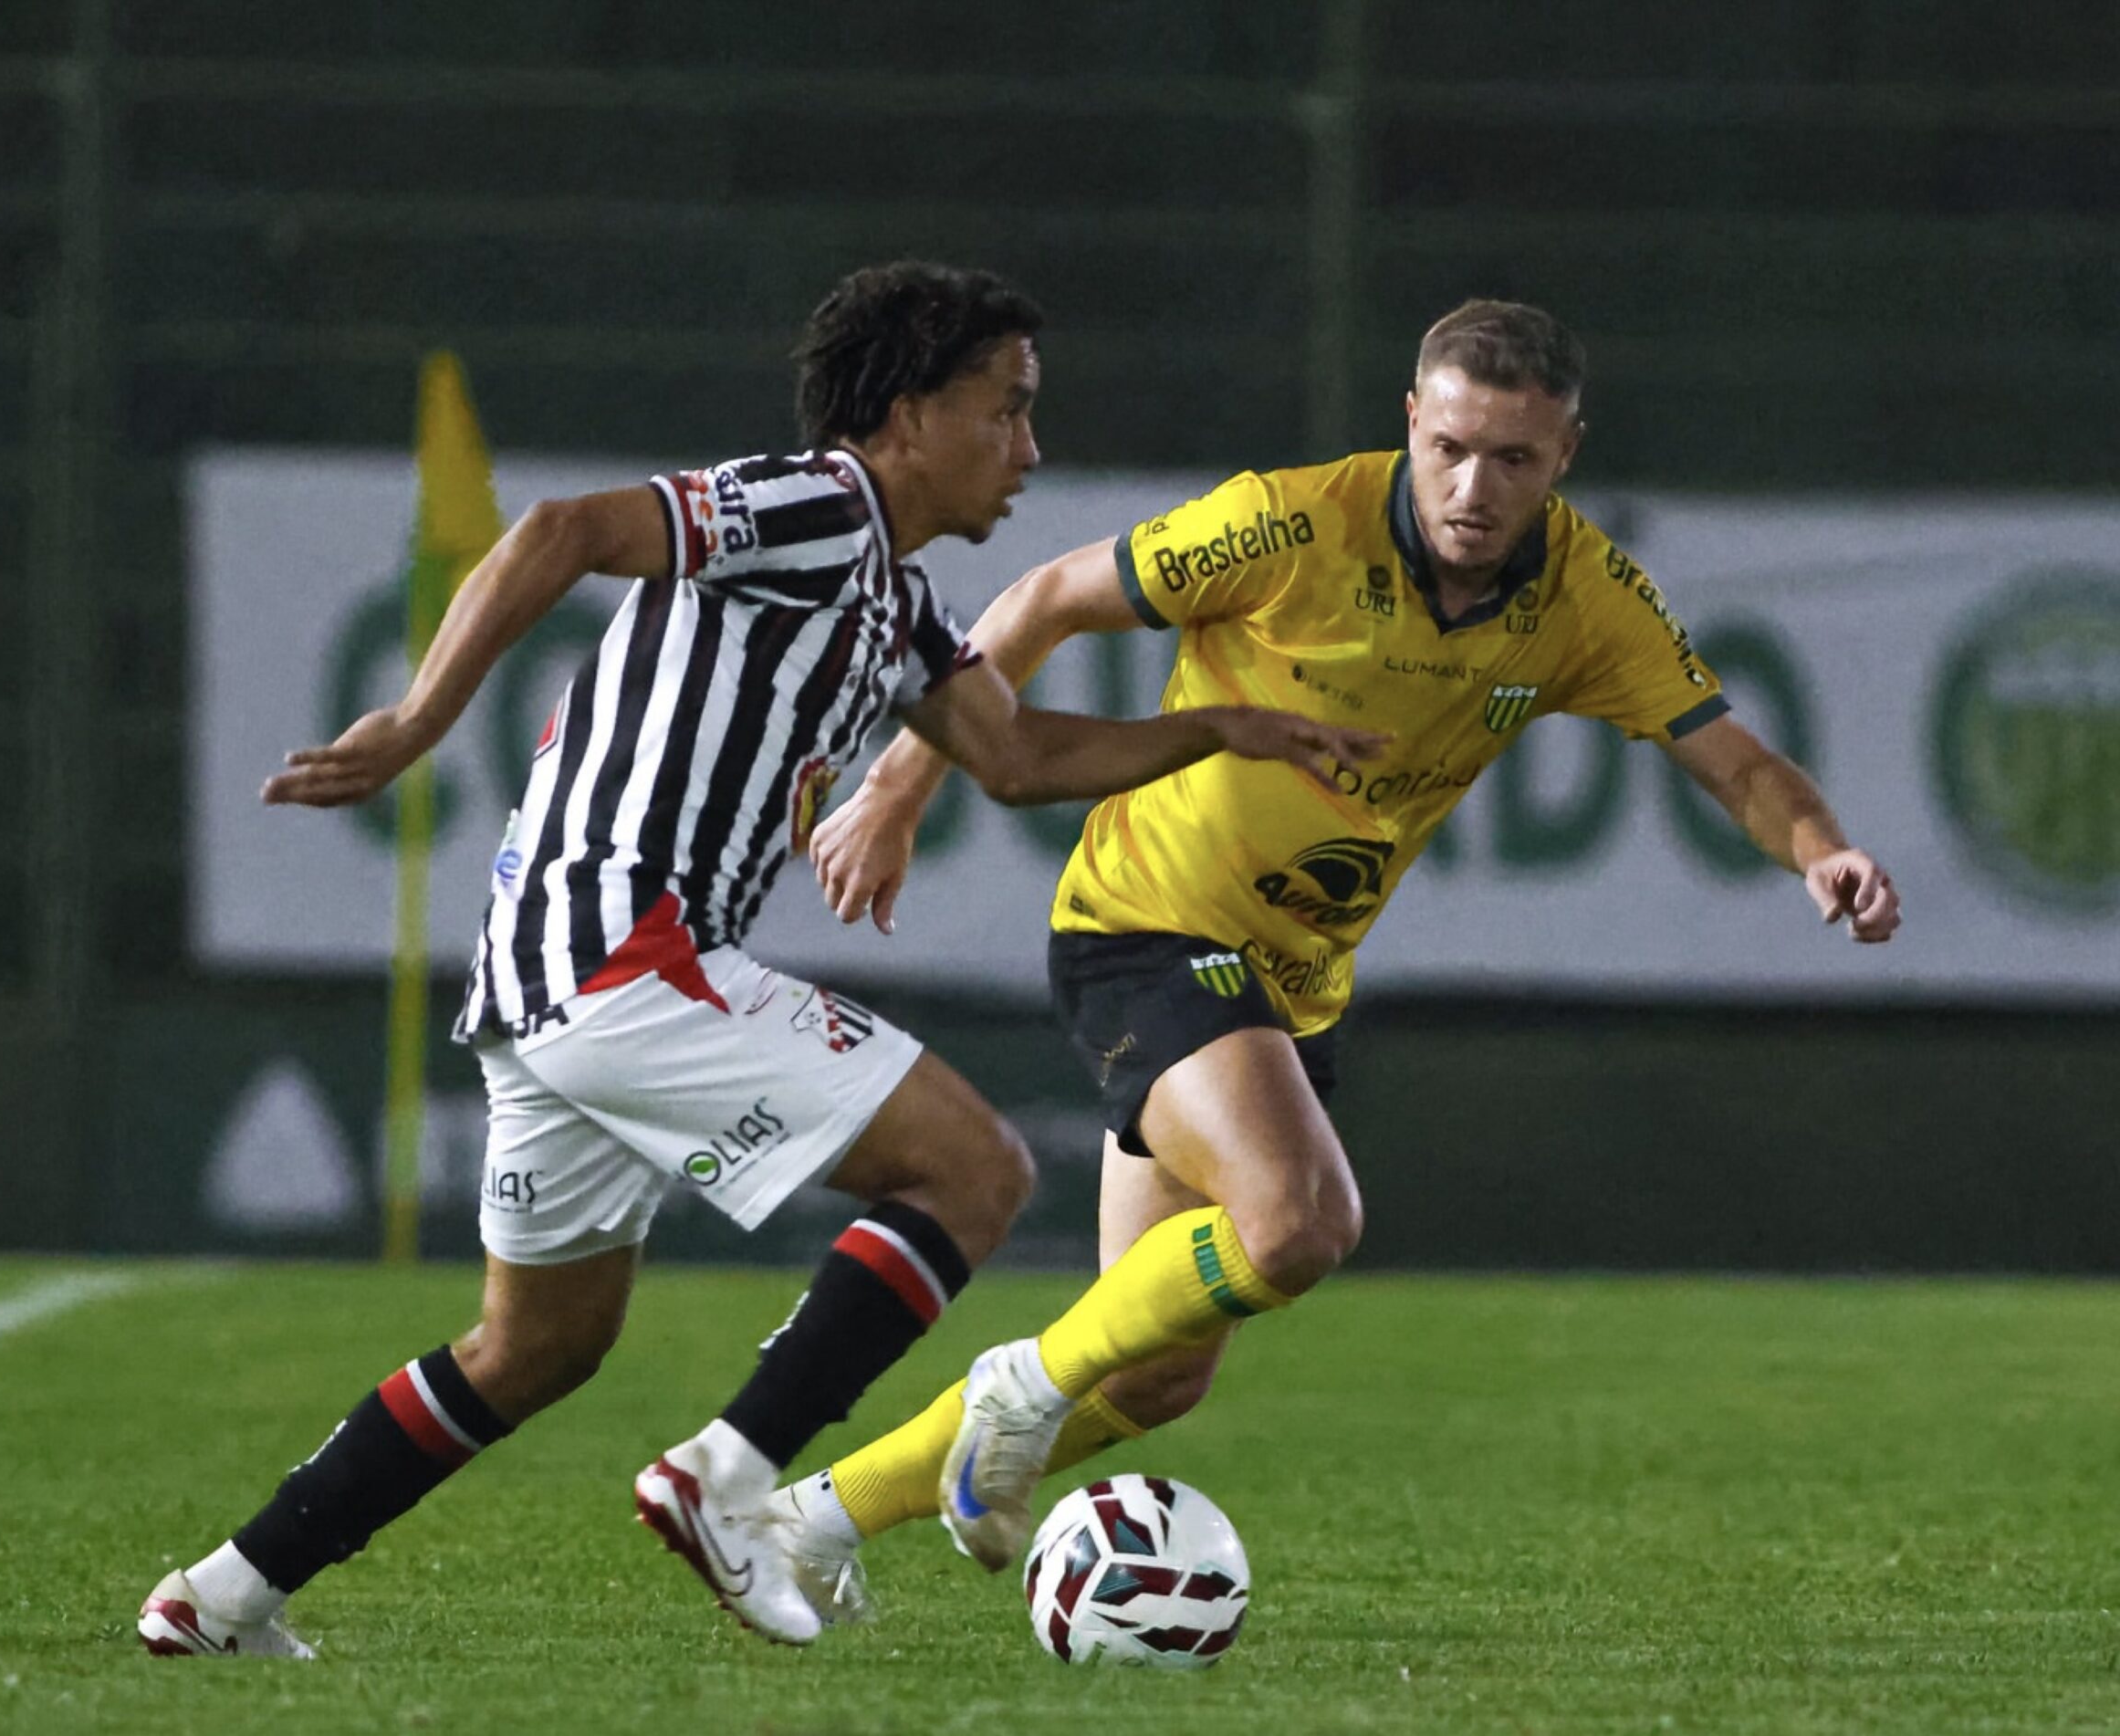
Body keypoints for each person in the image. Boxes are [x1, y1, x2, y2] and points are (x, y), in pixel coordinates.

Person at [136, 261, 1384, 1657]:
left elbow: (1024, 755)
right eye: (1007, 411)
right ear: (908, 414)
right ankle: (729, 1475)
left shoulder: (897, 602)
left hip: (558, 981)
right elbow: (559, 529)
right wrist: (417, 723)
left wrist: (1220, 730)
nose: (1030, 449)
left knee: (535, 1347)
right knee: (976, 1170)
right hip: (617, 946)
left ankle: (225, 1592)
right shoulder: (811, 505)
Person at [770, 298, 1903, 1616]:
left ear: (1566, 456)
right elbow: (1038, 600)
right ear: (1413, 422)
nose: (1478, 488)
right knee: (1303, 1219)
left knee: (1153, 1376)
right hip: (1149, 925)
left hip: (1282, 981)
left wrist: (1819, 846)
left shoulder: (1583, 597)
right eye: (1454, 448)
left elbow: (1739, 762)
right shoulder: (1290, 522)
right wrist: (903, 791)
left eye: (1516, 461)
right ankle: (1022, 1386)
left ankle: (816, 1518)